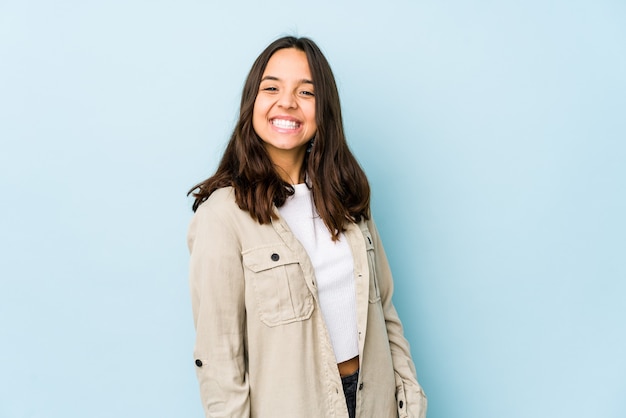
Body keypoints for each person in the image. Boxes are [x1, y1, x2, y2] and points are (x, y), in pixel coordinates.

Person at [187, 36, 427, 418]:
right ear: (253, 101)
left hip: (376, 402)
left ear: (323, 110)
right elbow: (219, 356)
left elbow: (383, 310)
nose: (287, 102)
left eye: (306, 91)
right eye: (272, 88)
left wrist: (410, 400)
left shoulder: (347, 197)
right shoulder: (223, 215)